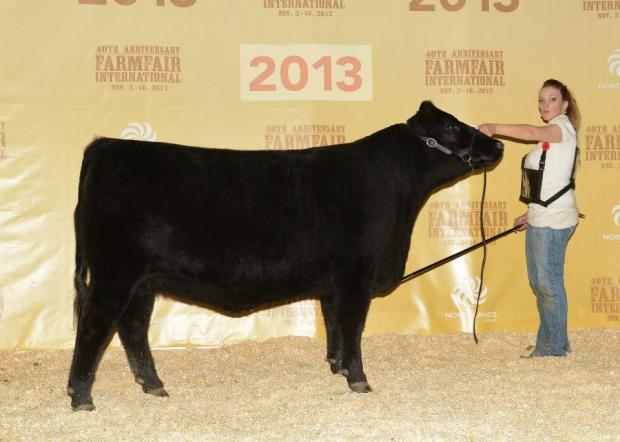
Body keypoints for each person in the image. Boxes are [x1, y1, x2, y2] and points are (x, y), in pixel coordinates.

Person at [478, 79, 580, 358]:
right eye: (541, 100)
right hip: (542, 216)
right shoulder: (553, 134)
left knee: (549, 284)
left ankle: (554, 349)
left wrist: (495, 128)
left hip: (556, 219)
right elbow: (548, 182)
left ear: (565, 104)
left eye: (552, 99)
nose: (545, 105)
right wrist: (530, 213)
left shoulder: (560, 128)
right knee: (539, 283)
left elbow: (530, 131)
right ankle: (549, 342)